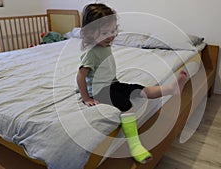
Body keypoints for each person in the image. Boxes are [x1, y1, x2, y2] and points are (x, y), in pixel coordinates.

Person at [76, 3, 188, 164]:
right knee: (127, 105)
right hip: (100, 90)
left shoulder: (105, 45)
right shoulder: (91, 53)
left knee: (139, 90)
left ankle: (172, 89)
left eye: (113, 30)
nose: (111, 36)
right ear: (90, 33)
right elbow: (80, 77)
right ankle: (135, 145)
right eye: (105, 32)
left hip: (112, 83)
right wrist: (86, 98)